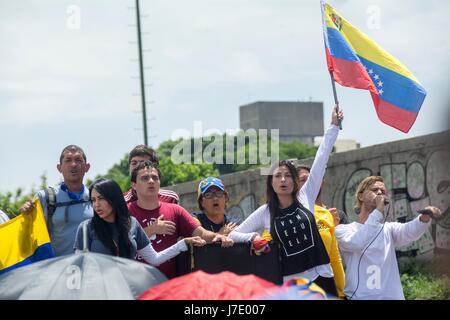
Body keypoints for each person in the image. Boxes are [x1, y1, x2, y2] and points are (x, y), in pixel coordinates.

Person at [229, 107, 343, 296]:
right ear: (270, 182)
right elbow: (233, 235)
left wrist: (333, 126)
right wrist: (253, 238)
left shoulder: (306, 195)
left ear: (295, 180)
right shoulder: (265, 212)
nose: (283, 180)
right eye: (278, 176)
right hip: (292, 285)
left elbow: (321, 159)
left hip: (321, 275)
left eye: (288, 176)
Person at [334, 176, 442, 300]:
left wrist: (424, 217)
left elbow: (409, 231)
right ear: (361, 196)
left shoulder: (388, 229)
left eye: (383, 191)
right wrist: (378, 211)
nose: (380, 193)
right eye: (374, 190)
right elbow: (358, 242)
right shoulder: (344, 230)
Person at [128, 160, 234, 278]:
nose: (151, 181)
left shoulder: (176, 210)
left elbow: (201, 234)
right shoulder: (124, 214)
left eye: (155, 177)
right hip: (136, 286)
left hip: (170, 286)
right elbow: (120, 247)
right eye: (145, 178)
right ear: (134, 185)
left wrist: (217, 236)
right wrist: (151, 230)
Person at [74, 179, 205, 265]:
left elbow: (154, 259)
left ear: (114, 198)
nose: (96, 205)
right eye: (93, 200)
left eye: (101, 199)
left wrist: (184, 243)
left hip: (127, 289)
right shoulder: (86, 228)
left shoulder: (132, 224)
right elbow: (80, 267)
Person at [20, 145, 93, 256]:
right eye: (68, 160)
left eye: (78, 160)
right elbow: (28, 241)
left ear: (87, 167)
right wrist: (25, 218)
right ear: (59, 168)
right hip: (57, 270)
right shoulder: (45, 197)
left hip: (89, 269)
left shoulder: (95, 197)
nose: (73, 164)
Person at [296, 165, 345, 298]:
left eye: (313, 179)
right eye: (303, 179)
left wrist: (342, 292)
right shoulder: (283, 215)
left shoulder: (328, 214)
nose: (310, 183)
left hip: (325, 285)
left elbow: (335, 258)